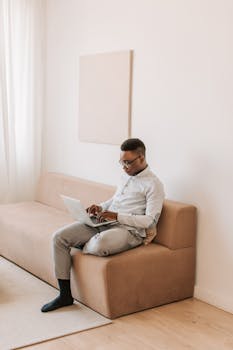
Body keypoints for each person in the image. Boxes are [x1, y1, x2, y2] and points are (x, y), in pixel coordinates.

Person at [41, 138, 165, 312]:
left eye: (128, 162)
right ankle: (65, 295)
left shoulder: (154, 185)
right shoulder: (125, 177)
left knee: (100, 244)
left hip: (128, 231)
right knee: (59, 238)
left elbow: (150, 220)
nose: (124, 167)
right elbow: (114, 200)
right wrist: (101, 207)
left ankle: (83, 242)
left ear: (142, 158)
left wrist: (117, 216)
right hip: (106, 222)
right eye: (121, 162)